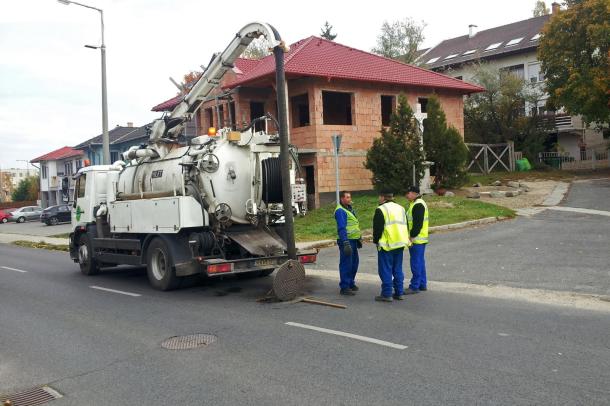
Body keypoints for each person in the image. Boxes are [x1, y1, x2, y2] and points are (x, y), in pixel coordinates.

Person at [372, 190, 410, 302]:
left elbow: (377, 229)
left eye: (379, 196)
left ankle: (387, 294)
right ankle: (399, 292)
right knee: (397, 269)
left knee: (386, 270)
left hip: (386, 245)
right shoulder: (401, 208)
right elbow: (406, 225)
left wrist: (376, 241)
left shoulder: (381, 209)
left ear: (383, 197)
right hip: (400, 243)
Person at [334, 191, 362, 295]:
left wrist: (358, 239)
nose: (349, 199)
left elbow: (354, 224)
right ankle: (344, 286)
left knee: (354, 262)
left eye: (350, 197)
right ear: (341, 199)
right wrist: (345, 242)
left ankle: (350, 282)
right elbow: (341, 228)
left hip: (353, 240)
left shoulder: (349, 209)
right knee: (346, 263)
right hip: (346, 240)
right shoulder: (340, 211)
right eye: (347, 197)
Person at [405, 185, 429, 293]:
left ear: (414, 193)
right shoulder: (416, 203)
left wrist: (411, 237)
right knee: (420, 262)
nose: (406, 195)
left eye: (408, 193)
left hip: (416, 239)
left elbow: (417, 224)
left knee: (416, 263)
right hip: (420, 239)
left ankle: (414, 286)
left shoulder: (418, 205)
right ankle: (422, 283)